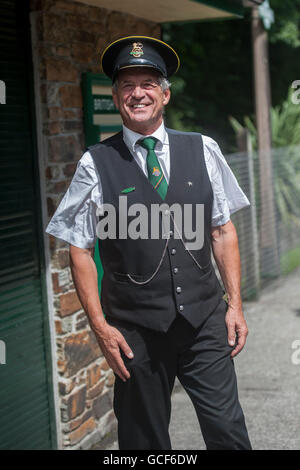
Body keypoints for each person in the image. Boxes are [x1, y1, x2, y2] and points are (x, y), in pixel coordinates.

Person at [46, 36, 252, 450]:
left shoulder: (204, 149)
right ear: (116, 95)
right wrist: (101, 329)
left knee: (228, 431)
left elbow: (221, 230)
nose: (137, 93)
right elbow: (79, 249)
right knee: (143, 442)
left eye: (147, 83)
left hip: (204, 321)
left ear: (165, 93)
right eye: (127, 85)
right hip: (135, 332)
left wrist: (235, 304)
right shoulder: (95, 163)